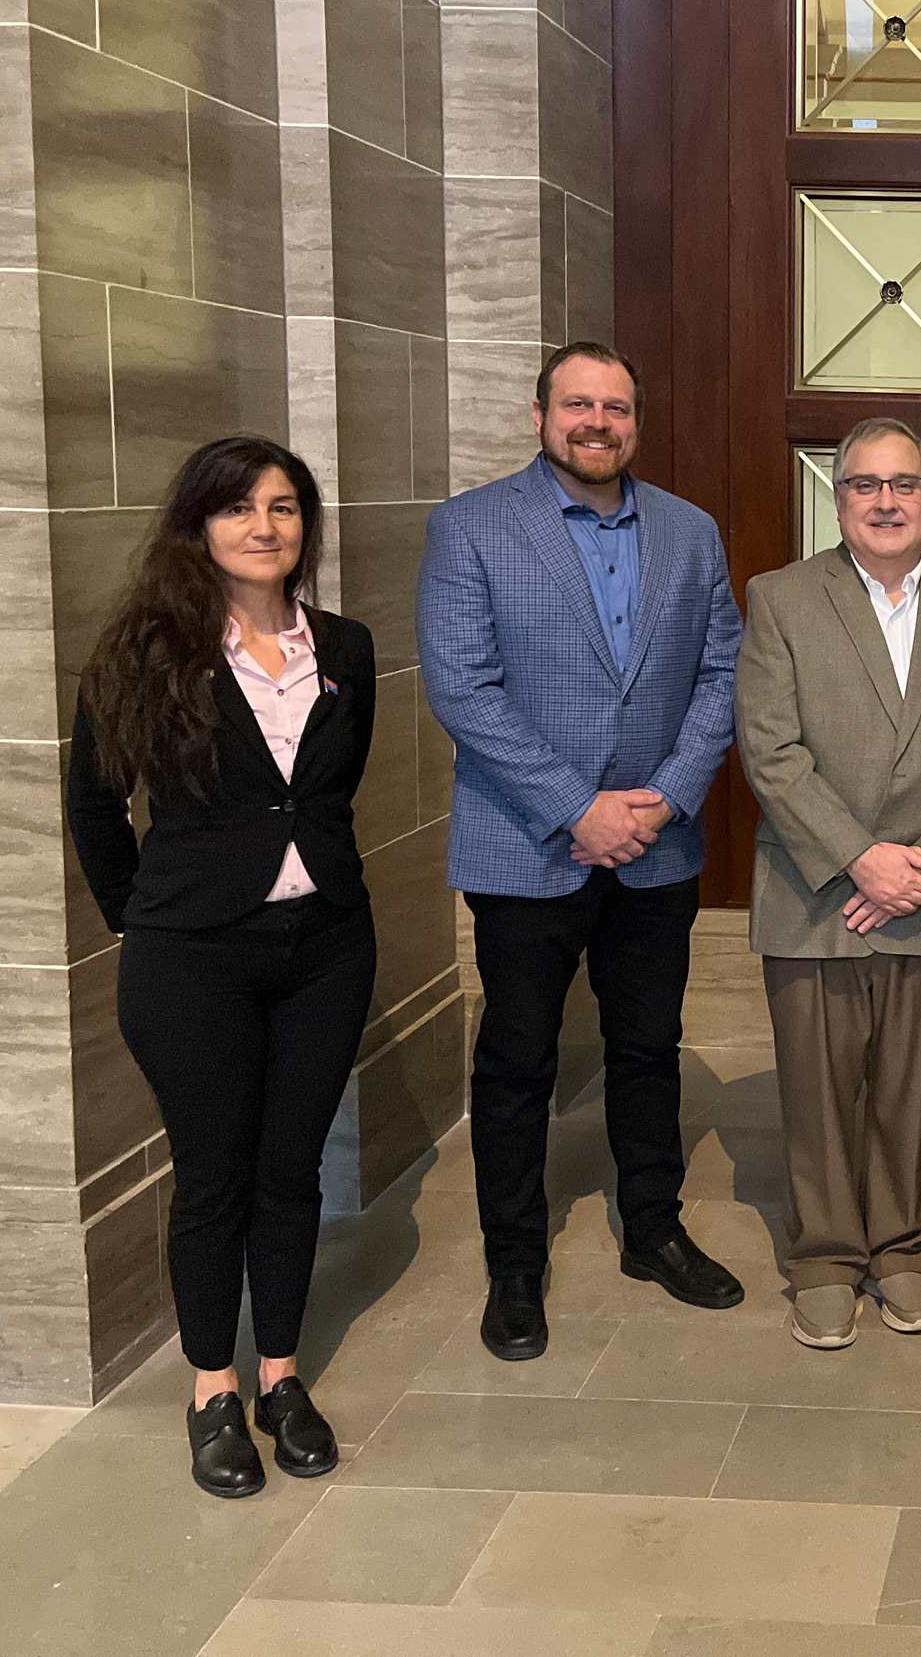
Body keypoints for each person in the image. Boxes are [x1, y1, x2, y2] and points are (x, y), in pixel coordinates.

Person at [417, 342, 745, 1362]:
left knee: (647, 1046)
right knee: (516, 1058)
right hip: (527, 847)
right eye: (577, 405)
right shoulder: (471, 527)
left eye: (615, 407)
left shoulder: (690, 532)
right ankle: (515, 1266)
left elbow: (723, 668)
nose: (596, 422)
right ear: (539, 415)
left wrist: (666, 794)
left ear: (635, 423)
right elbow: (462, 687)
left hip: (655, 842)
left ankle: (652, 1227)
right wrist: (575, 807)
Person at [67, 438, 377, 1499]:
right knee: (214, 1179)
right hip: (192, 958)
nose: (265, 525)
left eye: (285, 507)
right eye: (240, 508)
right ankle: (212, 1392)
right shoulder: (144, 654)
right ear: (198, 525)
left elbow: (325, 800)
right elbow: (93, 809)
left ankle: (282, 1378)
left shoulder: (347, 645)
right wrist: (145, 923)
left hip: (326, 946)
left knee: (292, 1172)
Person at [735, 417, 921, 1348]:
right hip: (818, 891)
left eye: (905, 485)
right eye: (865, 485)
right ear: (837, 496)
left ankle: (898, 1245)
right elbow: (769, 749)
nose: (886, 501)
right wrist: (861, 857)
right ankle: (823, 1255)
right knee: (816, 1085)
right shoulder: (780, 598)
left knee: (906, 1085)